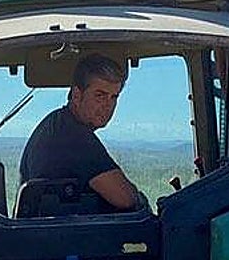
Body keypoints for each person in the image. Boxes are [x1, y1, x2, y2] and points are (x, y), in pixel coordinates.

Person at [19, 53, 143, 212]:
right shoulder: (75, 138)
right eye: (100, 95)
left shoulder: (55, 123)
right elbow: (125, 199)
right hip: (65, 234)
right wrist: (139, 198)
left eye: (114, 97)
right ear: (77, 95)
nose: (108, 106)